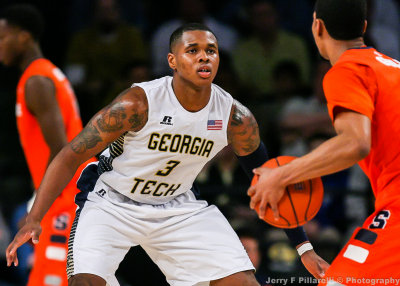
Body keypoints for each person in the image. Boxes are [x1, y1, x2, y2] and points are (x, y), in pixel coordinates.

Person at [6, 23, 327, 285]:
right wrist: (34, 218)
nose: (204, 58)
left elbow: (270, 179)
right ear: (172, 60)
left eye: (211, 51)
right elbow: (69, 155)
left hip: (177, 205)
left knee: (242, 283)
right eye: (193, 51)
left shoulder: (234, 118)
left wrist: (304, 248)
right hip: (112, 201)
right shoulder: (138, 104)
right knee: (84, 283)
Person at [248, 0, 400, 285]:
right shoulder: (392, 67)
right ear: (364, 28)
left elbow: (355, 143)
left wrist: (281, 175)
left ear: (317, 26)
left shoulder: (347, 69)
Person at [0, 5, 93, 286]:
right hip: (65, 193)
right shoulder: (47, 73)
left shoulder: (37, 80)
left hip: (64, 197)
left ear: (24, 37)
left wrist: (35, 207)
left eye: (3, 37)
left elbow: (61, 150)